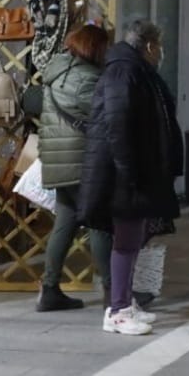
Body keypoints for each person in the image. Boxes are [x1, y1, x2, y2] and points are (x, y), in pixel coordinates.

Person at [79, 20, 180, 336]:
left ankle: (124, 302)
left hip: (132, 169)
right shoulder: (124, 71)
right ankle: (119, 311)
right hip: (124, 172)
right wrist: (129, 170)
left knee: (133, 239)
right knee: (125, 241)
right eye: (159, 46)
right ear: (149, 45)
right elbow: (118, 123)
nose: (160, 53)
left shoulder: (131, 69)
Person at [36, 24, 112, 312]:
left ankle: (50, 288)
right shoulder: (89, 79)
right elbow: (103, 118)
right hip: (83, 163)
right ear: (95, 48)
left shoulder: (55, 73)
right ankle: (113, 292)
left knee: (64, 224)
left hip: (57, 162)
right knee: (99, 222)